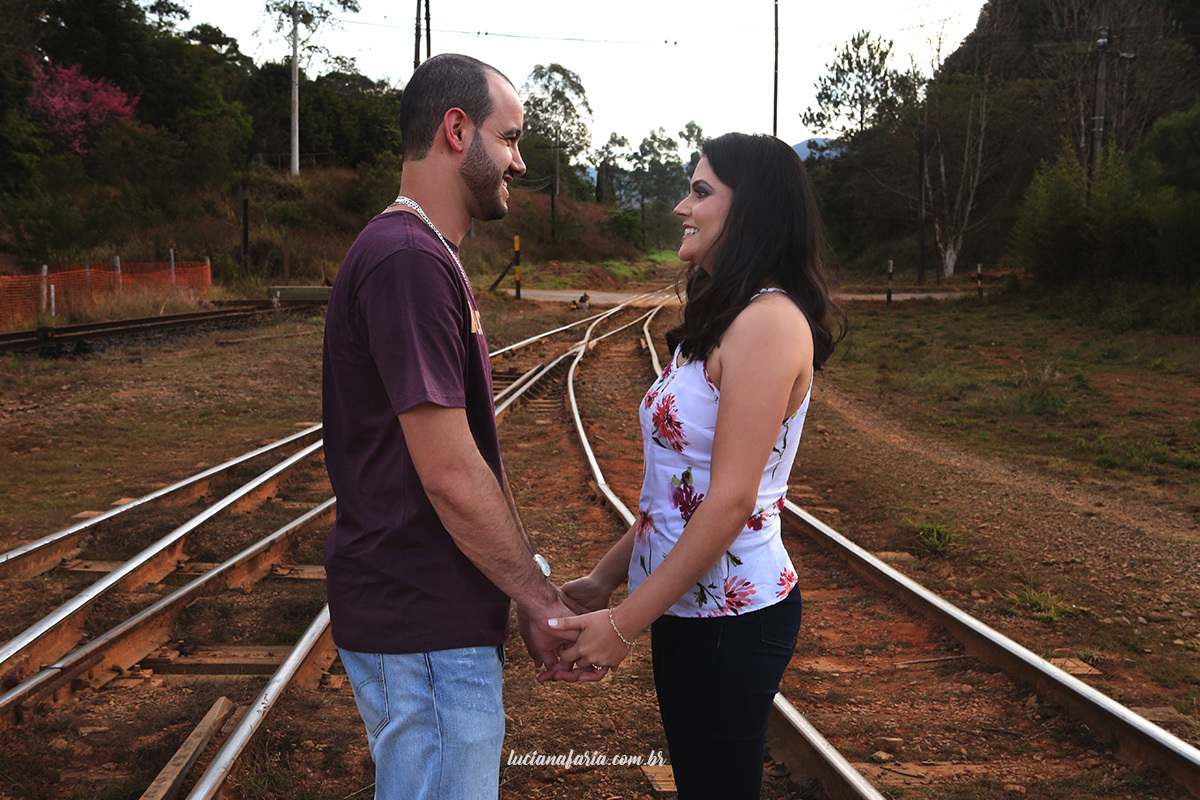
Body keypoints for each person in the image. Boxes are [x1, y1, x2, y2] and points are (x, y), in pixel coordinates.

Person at [543, 132, 844, 799]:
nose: (683, 206)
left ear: (753, 211)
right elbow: (679, 494)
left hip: (730, 623)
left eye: (702, 191)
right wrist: (604, 581)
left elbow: (732, 500)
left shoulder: (769, 324)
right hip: (690, 611)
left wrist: (624, 624)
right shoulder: (724, 317)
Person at [321, 53, 581, 800]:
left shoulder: (424, 255)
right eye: (510, 138)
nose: (520, 161)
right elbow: (449, 472)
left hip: (427, 619)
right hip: (423, 623)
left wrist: (520, 589)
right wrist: (538, 598)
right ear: (456, 129)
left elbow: (470, 458)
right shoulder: (408, 260)